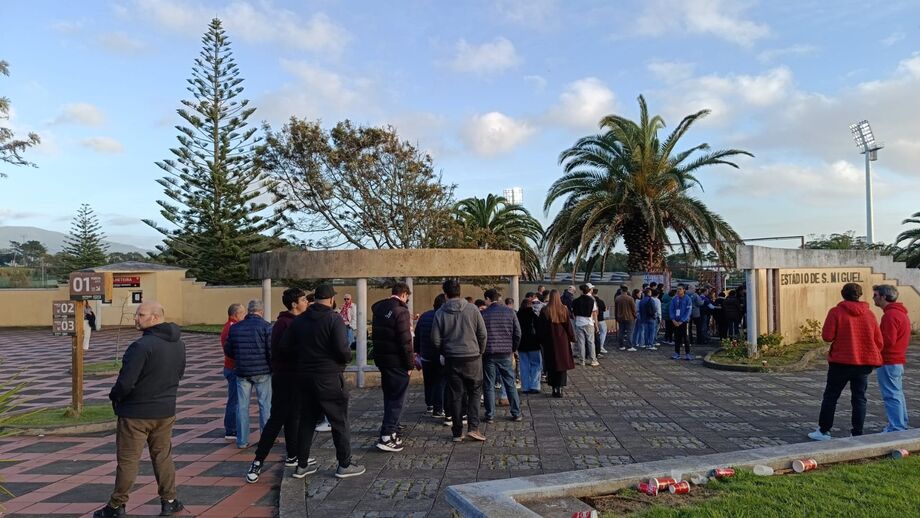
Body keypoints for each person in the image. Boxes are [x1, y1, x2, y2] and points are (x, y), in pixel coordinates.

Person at [94, 302, 186, 518]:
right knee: (163, 457)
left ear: (155, 317)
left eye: (141, 314)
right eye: (136, 313)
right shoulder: (179, 344)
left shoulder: (141, 346)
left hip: (136, 414)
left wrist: (115, 397)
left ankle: (116, 506)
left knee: (128, 460)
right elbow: (179, 374)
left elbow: (125, 383)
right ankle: (169, 501)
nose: (136, 318)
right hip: (165, 411)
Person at [281, 283, 365, 479]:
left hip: (304, 377)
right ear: (331, 299)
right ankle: (344, 464)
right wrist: (342, 360)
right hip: (328, 376)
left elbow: (285, 347)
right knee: (338, 421)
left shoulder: (299, 321)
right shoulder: (333, 319)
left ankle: (302, 465)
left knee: (307, 421)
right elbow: (343, 350)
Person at [246, 288, 310, 483]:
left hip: (297, 378)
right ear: (294, 304)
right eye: (303, 299)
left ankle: (293, 455)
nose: (306, 302)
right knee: (277, 420)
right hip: (285, 378)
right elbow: (283, 351)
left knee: (294, 418)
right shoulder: (284, 324)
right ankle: (258, 461)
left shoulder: (297, 322)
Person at [808, 283, 883, 441]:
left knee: (831, 396)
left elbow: (827, 336)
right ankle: (857, 432)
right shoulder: (869, 315)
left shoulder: (836, 312)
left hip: (840, 362)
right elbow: (879, 341)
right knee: (859, 398)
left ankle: (824, 430)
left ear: (843, 294)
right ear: (860, 295)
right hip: (863, 362)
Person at [432, 279, 488, 443]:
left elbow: (435, 339)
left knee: (455, 395)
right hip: (472, 356)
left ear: (445, 294)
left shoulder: (440, 312)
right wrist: (480, 352)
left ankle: (457, 432)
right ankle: (473, 427)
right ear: (460, 291)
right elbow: (482, 334)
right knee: (475, 392)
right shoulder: (472, 309)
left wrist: (444, 351)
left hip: (452, 358)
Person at [371, 282, 414, 452]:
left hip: (383, 359)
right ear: (404, 294)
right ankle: (387, 435)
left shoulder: (379, 309)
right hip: (397, 361)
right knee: (397, 399)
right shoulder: (401, 311)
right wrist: (410, 363)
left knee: (389, 396)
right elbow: (405, 340)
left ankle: (392, 429)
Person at [224, 300, 273, 449]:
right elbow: (271, 350)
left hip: (242, 371)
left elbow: (229, 350)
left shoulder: (235, 328)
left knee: (242, 406)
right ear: (261, 311)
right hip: (263, 371)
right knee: (265, 405)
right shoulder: (266, 327)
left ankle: (242, 440)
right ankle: (266, 439)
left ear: (249, 311)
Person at [872, 284, 911, 432]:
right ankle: (900, 423)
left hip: (889, 360)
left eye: (875, 295)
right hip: (896, 360)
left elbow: (887, 341)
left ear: (883, 297)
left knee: (891, 395)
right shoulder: (899, 313)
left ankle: (896, 427)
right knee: (896, 393)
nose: (873, 298)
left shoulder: (890, 315)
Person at [481, 289, 522, 422]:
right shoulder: (510, 312)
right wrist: (513, 348)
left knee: (489, 384)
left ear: (487, 299)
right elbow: (517, 333)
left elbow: (480, 334)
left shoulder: (484, 314)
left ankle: (490, 414)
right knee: (509, 382)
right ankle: (516, 412)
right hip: (505, 352)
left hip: (489, 353)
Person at [537, 290, 575, 397]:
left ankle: (554, 388)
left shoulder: (545, 310)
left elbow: (541, 328)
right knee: (562, 366)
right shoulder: (564, 310)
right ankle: (560, 388)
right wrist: (572, 337)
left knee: (552, 365)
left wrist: (541, 340)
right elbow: (568, 326)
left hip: (550, 342)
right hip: (562, 341)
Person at [416, 294, 447, 418]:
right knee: (440, 382)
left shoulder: (424, 316)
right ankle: (439, 408)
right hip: (439, 354)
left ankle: (430, 404)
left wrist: (417, 351)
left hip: (425, 355)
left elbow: (417, 335)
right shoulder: (443, 316)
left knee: (428, 381)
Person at [219, 303, 245, 441]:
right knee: (234, 400)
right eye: (242, 313)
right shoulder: (232, 328)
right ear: (235, 314)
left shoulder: (229, 327)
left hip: (231, 367)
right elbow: (231, 349)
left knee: (235, 399)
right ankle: (231, 429)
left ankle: (232, 428)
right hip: (233, 368)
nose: (244, 315)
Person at [517, 297, 542, 394]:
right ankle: (534, 385)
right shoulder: (534, 316)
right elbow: (540, 330)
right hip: (534, 344)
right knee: (536, 364)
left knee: (523, 366)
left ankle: (525, 387)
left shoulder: (517, 316)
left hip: (521, 344)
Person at [571, 284, 598, 366]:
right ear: (589, 290)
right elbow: (594, 313)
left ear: (581, 291)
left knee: (581, 342)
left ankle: (582, 360)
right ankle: (593, 360)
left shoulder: (575, 301)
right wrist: (596, 325)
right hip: (589, 322)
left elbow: (573, 313)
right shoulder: (592, 300)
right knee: (590, 342)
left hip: (579, 323)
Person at [669, 284, 693, 360]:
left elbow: (688, 311)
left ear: (684, 290)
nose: (678, 291)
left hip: (684, 322)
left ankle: (687, 354)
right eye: (677, 289)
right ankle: (677, 353)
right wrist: (673, 319)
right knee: (677, 338)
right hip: (675, 321)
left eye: (680, 289)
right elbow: (671, 309)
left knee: (686, 338)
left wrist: (682, 320)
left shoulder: (687, 299)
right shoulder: (674, 299)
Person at [614, 287, 637, 352]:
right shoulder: (630, 298)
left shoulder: (617, 298)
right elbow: (633, 309)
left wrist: (616, 317)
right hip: (630, 317)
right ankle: (629, 346)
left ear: (621, 290)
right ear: (627, 291)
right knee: (630, 332)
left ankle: (621, 346)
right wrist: (635, 316)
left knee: (621, 331)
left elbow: (616, 309)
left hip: (620, 317)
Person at [593, 288, 608, 355]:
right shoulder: (600, 301)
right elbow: (604, 309)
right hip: (600, 319)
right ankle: (601, 346)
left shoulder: (591, 300)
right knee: (603, 332)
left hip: (593, 320)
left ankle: (596, 347)